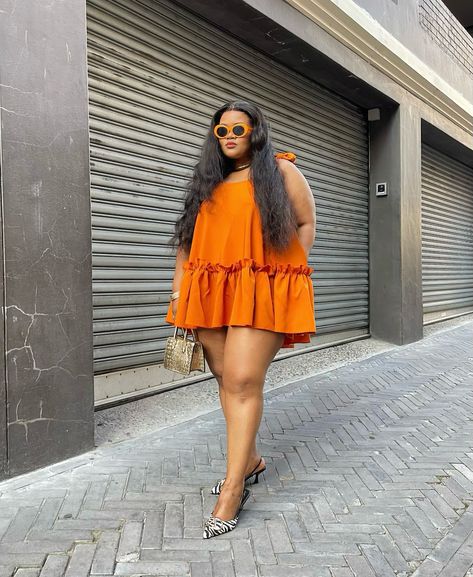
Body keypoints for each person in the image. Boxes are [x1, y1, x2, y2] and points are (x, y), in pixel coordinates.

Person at [166, 100, 316, 538]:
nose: (230, 136)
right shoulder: (208, 182)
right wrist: (178, 291)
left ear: (255, 131)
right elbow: (187, 241)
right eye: (222, 131)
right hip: (209, 289)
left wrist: (283, 272)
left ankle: (233, 490)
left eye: (239, 129)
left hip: (260, 290)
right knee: (224, 378)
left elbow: (305, 223)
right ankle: (249, 460)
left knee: (243, 379)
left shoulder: (282, 172)